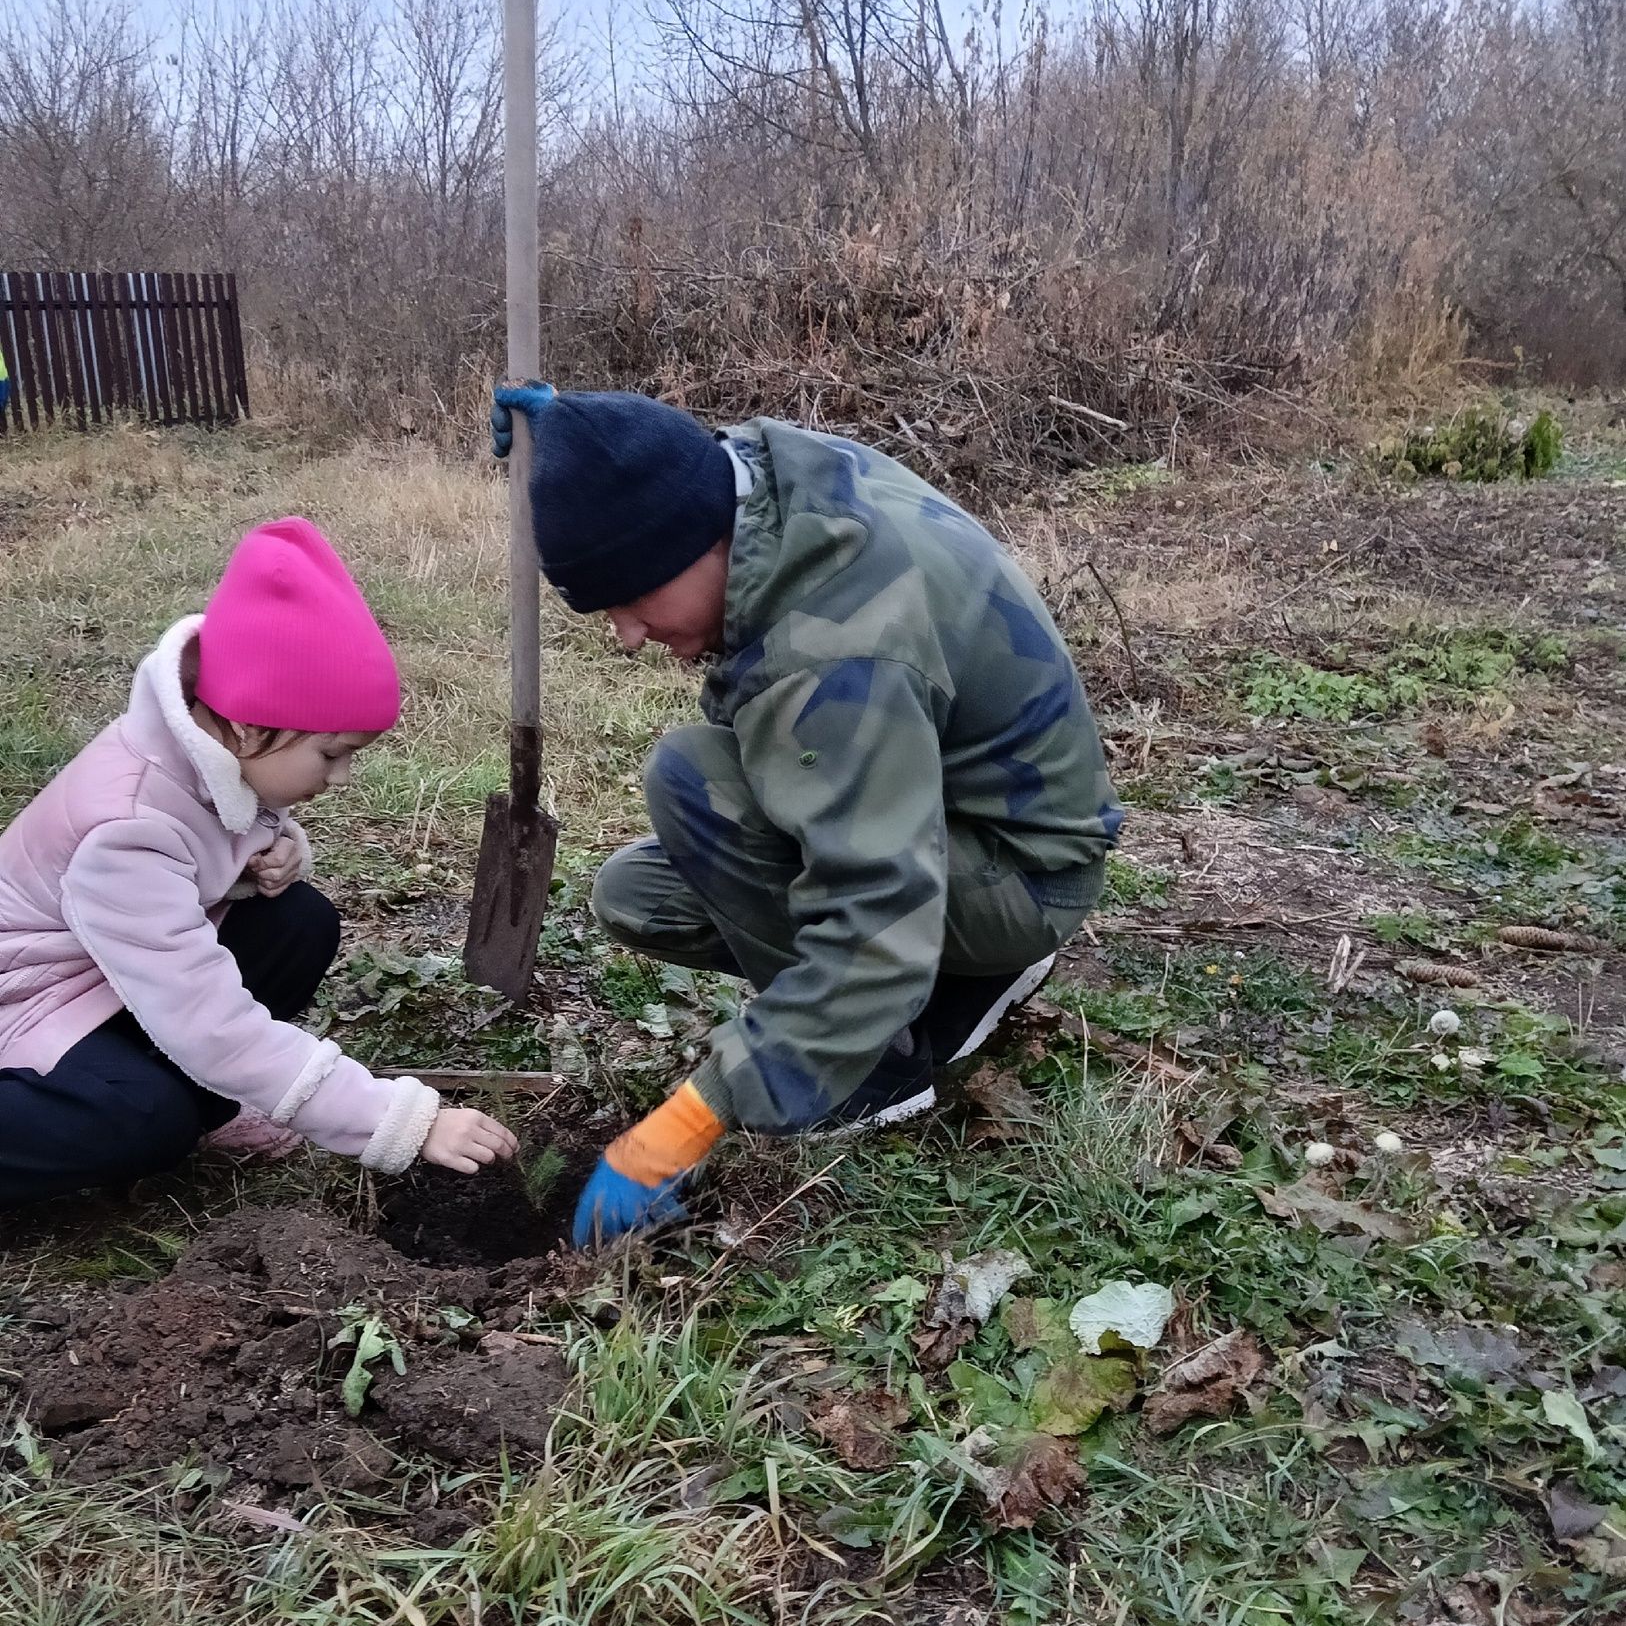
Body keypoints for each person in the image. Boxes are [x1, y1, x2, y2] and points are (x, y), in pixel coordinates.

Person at [492, 385, 1122, 1247]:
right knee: (642, 892)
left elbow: (872, 913)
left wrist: (697, 1113)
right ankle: (932, 981)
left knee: (692, 777)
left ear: (697, 538)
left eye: (632, 597)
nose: (626, 634)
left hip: (1025, 871)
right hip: (947, 807)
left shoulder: (834, 649)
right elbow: (666, 473)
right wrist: (573, 436)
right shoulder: (769, 482)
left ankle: (876, 1065)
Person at [0, 518, 517, 1207]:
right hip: (26, 1011)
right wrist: (397, 1121)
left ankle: (205, 1103)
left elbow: (220, 836)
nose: (341, 779)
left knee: (298, 920)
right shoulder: (125, 831)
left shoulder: (214, 749)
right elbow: (206, 1019)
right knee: (142, 1119)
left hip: (105, 977)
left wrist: (266, 857)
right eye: (331, 754)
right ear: (246, 729)